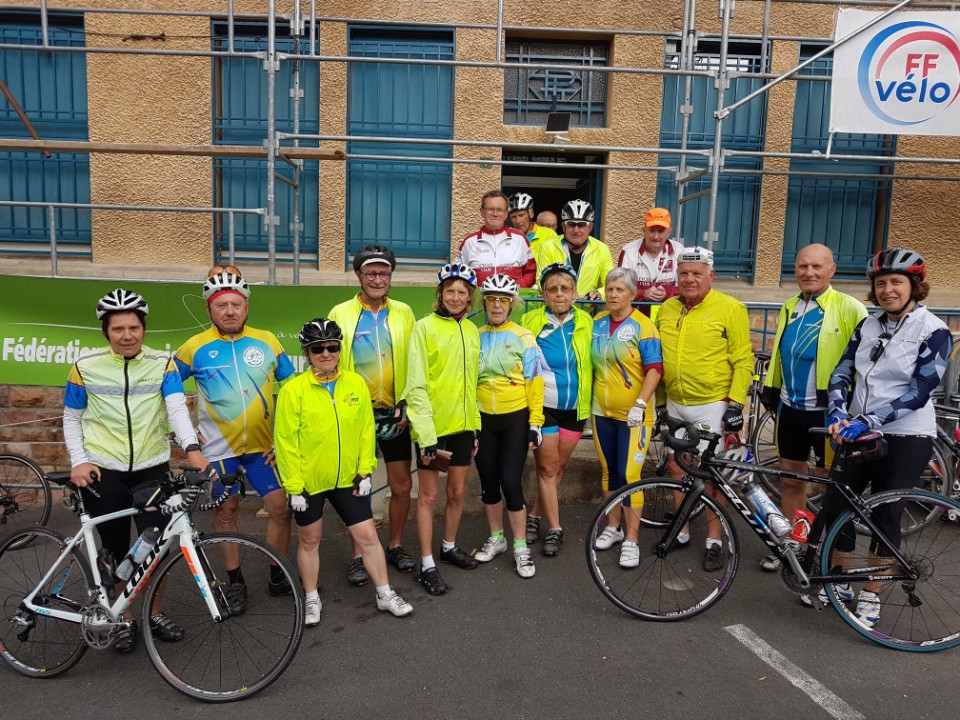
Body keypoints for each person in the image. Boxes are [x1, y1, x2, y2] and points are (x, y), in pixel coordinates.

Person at [63, 288, 212, 653]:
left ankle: (152, 614)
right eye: (118, 329)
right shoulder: (85, 367)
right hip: (104, 472)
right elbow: (72, 418)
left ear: (144, 329)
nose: (127, 335)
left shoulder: (163, 364)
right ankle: (124, 618)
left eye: (133, 327)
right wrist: (78, 460)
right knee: (115, 550)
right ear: (106, 332)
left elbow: (176, 409)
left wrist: (192, 449)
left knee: (155, 549)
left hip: (151, 469)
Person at [814, 248, 952, 626]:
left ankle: (871, 593)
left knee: (885, 514)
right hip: (859, 430)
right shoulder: (868, 325)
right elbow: (842, 371)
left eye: (896, 282)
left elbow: (920, 391)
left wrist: (869, 419)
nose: (887, 289)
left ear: (914, 286)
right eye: (881, 283)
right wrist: (838, 411)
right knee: (837, 506)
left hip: (906, 434)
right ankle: (839, 581)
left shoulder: (934, 331)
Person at [274, 319, 413, 625]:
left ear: (339, 349)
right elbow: (285, 442)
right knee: (310, 540)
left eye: (332, 347)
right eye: (317, 349)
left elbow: (365, 430)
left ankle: (384, 593)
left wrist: (365, 472)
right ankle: (311, 597)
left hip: (348, 478)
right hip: (309, 482)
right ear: (307, 353)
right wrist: (294, 487)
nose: (326, 353)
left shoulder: (355, 383)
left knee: (368, 537)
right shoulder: (293, 391)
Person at [174, 266, 296, 613]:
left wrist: (284, 438)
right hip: (218, 450)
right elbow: (164, 392)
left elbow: (293, 390)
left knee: (280, 508)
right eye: (221, 305)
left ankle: (277, 574)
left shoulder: (267, 340)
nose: (230, 311)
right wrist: (182, 434)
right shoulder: (194, 347)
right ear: (209, 309)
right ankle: (235, 582)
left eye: (236, 304)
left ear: (246, 306)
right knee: (226, 512)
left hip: (263, 449)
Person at [757, 243, 867, 572]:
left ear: (832, 270)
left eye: (817, 266)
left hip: (828, 414)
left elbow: (864, 363)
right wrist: (771, 392)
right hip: (790, 408)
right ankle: (793, 547)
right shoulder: (790, 305)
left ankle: (836, 566)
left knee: (832, 489)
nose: (809, 272)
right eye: (803, 266)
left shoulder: (850, 307)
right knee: (791, 482)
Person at [655, 247, 753, 572]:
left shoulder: (730, 308)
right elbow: (658, 358)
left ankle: (714, 539)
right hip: (676, 402)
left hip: (713, 404)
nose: (689, 279)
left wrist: (736, 404)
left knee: (713, 476)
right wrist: (660, 401)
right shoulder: (667, 308)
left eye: (697, 273)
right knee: (676, 468)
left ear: (711, 275)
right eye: (683, 273)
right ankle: (681, 529)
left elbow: (743, 360)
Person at [329, 244, 417, 586]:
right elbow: (330, 363)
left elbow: (414, 361)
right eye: (371, 273)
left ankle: (394, 545)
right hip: (357, 414)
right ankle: (359, 555)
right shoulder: (340, 312)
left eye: (383, 273)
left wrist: (408, 401)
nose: (377, 279)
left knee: (402, 484)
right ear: (359, 276)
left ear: (390, 277)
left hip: (395, 413)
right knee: (358, 487)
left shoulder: (404, 312)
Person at [402, 263, 483, 595]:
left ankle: (448, 546)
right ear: (440, 293)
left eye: (462, 292)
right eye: (450, 291)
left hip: (463, 428)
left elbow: (472, 384)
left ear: (470, 298)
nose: (456, 297)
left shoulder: (472, 330)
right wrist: (425, 435)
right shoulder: (424, 328)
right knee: (429, 496)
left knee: (457, 492)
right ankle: (427, 564)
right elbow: (415, 385)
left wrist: (475, 427)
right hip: (433, 430)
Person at [589, 268, 663, 568]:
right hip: (601, 412)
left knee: (630, 476)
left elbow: (655, 369)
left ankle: (632, 540)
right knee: (609, 472)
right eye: (610, 289)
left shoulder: (644, 326)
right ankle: (614, 527)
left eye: (620, 290)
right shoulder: (597, 322)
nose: (613, 294)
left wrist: (641, 403)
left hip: (634, 416)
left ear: (633, 294)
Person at [473, 274, 544, 578]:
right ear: (484, 302)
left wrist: (536, 423)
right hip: (482, 418)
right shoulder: (475, 335)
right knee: (488, 482)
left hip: (515, 417)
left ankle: (521, 547)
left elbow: (535, 382)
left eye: (504, 300)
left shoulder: (524, 337)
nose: (497, 305)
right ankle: (497, 538)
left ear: (512, 304)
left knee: (510, 481)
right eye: (491, 299)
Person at [521, 263, 593, 556]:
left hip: (576, 408)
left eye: (565, 288)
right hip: (544, 407)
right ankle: (555, 529)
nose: (559, 294)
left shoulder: (587, 321)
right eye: (553, 289)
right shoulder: (530, 321)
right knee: (548, 468)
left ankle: (534, 516)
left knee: (557, 469)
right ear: (543, 294)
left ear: (575, 293)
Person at [457, 190, 537, 287]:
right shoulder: (469, 242)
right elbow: (458, 275)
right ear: (482, 212)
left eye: (500, 210)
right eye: (490, 209)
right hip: (479, 296)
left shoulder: (520, 239)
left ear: (506, 213)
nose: (495, 214)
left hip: (513, 296)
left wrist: (518, 286)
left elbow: (531, 272)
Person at [537, 200, 614, 300]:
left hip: (587, 308)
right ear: (563, 227)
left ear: (590, 227)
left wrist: (598, 293)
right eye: (571, 224)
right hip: (557, 306)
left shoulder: (601, 249)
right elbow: (540, 281)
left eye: (581, 225)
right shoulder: (548, 247)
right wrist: (566, 292)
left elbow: (610, 283)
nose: (576, 230)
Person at [616, 207, 681, 310]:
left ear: (669, 232)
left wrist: (667, 293)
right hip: (634, 314)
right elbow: (619, 288)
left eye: (661, 231)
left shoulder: (679, 251)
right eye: (652, 231)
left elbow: (684, 288)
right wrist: (643, 294)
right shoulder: (629, 250)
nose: (656, 236)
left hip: (669, 313)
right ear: (644, 230)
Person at [508, 192, 558, 272]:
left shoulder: (549, 234)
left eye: (521, 215)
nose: (518, 221)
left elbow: (560, 265)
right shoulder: (506, 237)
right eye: (513, 217)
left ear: (531, 213)